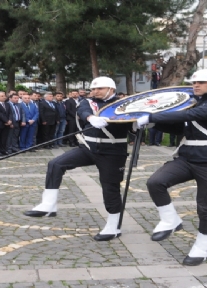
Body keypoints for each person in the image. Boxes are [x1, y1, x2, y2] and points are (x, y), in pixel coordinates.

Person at [136, 69, 207, 266]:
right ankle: (170, 220)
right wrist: (152, 125)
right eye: (194, 82)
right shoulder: (195, 104)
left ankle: (203, 246)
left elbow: (193, 115)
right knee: (156, 182)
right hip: (188, 158)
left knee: (206, 207)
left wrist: (152, 116)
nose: (195, 85)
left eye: (201, 82)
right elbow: (181, 128)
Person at [24, 76, 132, 242]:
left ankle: (113, 225)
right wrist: (90, 118)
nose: (95, 91)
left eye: (99, 88)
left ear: (111, 89)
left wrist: (139, 123)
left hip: (113, 151)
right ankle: (48, 204)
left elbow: (132, 122)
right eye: (93, 89)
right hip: (88, 147)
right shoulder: (88, 102)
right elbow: (82, 111)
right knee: (56, 164)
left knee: (110, 188)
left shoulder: (123, 104)